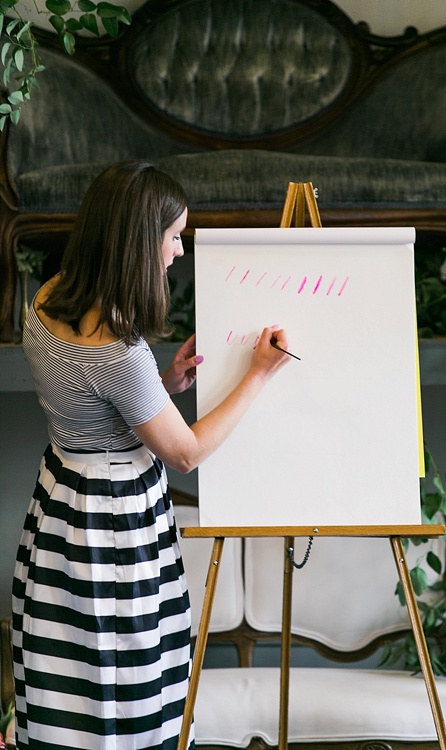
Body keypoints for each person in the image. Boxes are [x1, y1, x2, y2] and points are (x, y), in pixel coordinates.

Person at [12, 160, 290, 750]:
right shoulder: (118, 348)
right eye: (173, 237)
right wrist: (257, 377)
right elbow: (186, 453)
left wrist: (162, 385)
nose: (179, 252)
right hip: (112, 523)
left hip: (62, 502)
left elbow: (91, 403)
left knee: (71, 677)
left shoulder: (46, 299)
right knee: (124, 686)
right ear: (139, 242)